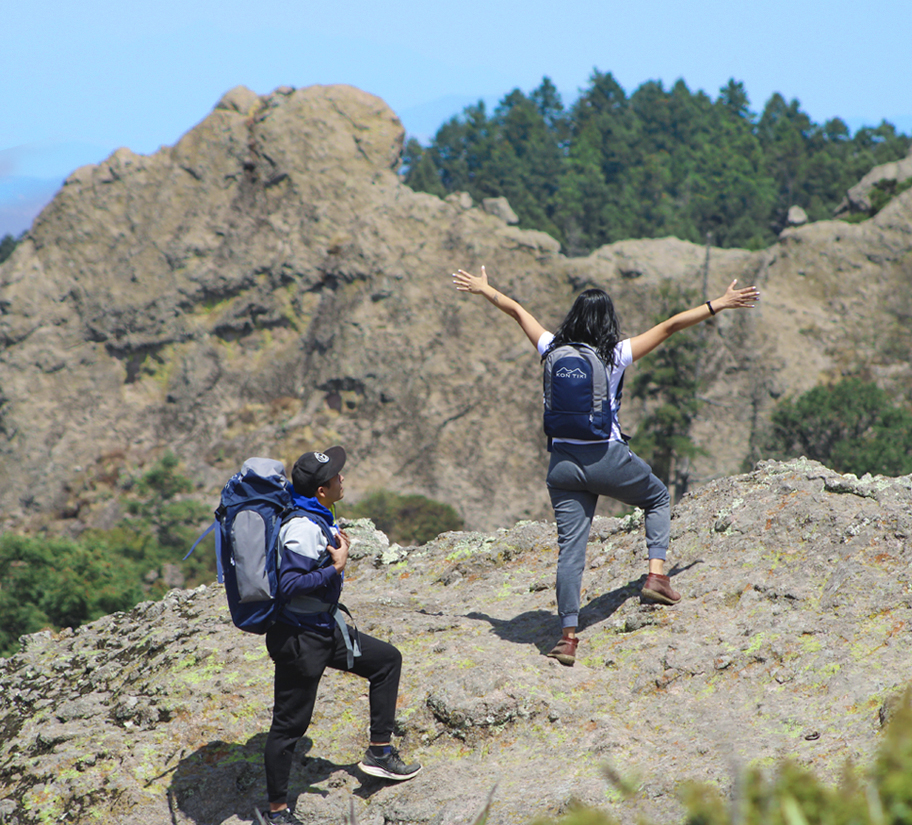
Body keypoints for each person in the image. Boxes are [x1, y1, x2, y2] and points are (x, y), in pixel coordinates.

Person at [452, 266, 759, 666]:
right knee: (657, 498)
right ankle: (656, 577)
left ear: (573, 318)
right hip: (606, 457)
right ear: (607, 321)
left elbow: (516, 310)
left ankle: (566, 637)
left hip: (562, 465)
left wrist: (484, 289)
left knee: (570, 552)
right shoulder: (614, 354)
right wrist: (719, 303)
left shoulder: (550, 347)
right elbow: (670, 327)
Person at [262, 446, 421, 824]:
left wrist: (334, 543)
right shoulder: (301, 527)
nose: (342, 478)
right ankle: (276, 812)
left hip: (323, 629)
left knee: (386, 661)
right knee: (289, 727)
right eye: (336, 475)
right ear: (321, 489)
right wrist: (336, 567)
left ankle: (379, 754)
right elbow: (289, 585)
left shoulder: (316, 514)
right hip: (300, 641)